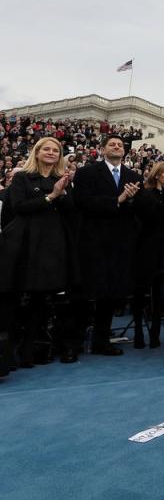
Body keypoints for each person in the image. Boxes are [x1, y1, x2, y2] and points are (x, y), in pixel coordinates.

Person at [0, 137, 80, 369]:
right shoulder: (22, 178)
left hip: (51, 247)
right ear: (36, 152)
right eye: (46, 148)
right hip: (23, 245)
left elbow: (71, 213)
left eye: (56, 150)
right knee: (13, 298)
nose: (51, 152)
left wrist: (62, 194)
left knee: (40, 300)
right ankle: (7, 354)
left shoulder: (62, 181)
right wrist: (51, 196)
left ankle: (29, 352)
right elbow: (19, 208)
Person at [73, 134, 142, 356]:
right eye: (112, 144)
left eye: (120, 145)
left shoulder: (133, 175)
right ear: (102, 149)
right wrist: (117, 200)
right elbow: (82, 201)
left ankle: (101, 341)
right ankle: (73, 343)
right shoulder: (87, 172)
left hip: (120, 244)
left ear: (125, 151)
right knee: (85, 294)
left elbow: (136, 210)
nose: (116, 147)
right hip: (93, 242)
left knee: (110, 295)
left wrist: (130, 200)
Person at [133, 162, 164, 351]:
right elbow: (152, 215)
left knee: (161, 292)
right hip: (146, 246)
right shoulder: (145, 194)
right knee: (141, 291)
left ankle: (155, 333)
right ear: (157, 175)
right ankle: (138, 332)